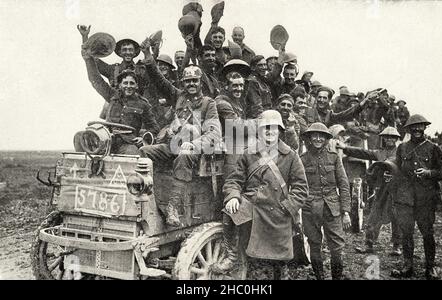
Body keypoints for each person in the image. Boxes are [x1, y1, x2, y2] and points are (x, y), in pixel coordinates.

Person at [214, 110, 309, 279]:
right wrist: (233, 196)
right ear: (259, 131)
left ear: (280, 131)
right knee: (229, 212)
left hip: (278, 209)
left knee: (279, 264)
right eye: (265, 128)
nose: (269, 132)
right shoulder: (249, 153)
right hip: (253, 205)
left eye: (273, 128)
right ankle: (232, 256)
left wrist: (287, 207)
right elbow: (234, 180)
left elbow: (301, 188)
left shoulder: (291, 156)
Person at [139, 40, 222, 227]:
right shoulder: (178, 96)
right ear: (183, 83)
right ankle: (145, 200)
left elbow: (214, 134)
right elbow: (159, 80)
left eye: (195, 80)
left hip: (194, 151)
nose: (191, 84)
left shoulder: (209, 104)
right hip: (173, 145)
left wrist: (194, 144)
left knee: (184, 156)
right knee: (144, 153)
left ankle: (173, 207)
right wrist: (147, 56)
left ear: (200, 82)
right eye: (187, 81)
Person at [391, 115, 442, 279]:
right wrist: (390, 175)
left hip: (426, 199)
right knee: (406, 233)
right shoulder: (402, 148)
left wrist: (429, 172)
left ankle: (430, 268)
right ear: (408, 129)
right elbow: (398, 169)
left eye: (420, 126)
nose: (417, 129)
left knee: (427, 233)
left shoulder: (433, 148)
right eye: (413, 127)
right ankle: (407, 266)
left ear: (424, 128)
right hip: (405, 199)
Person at [76, 45, 159, 155]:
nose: (128, 86)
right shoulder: (111, 95)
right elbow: (95, 79)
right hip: (106, 139)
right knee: (80, 138)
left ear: (136, 86)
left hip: (127, 143)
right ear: (120, 85)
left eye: (132, 83)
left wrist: (142, 138)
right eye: (125, 83)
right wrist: (88, 59)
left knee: (133, 155)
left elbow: (154, 128)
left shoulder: (143, 104)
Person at [336, 126, 402, 255]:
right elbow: (364, 153)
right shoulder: (380, 153)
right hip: (382, 187)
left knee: (396, 215)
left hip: (397, 187)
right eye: (387, 137)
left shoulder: (401, 152)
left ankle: (397, 246)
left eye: (392, 137)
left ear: (396, 139)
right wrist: (345, 148)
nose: (389, 140)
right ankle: (369, 244)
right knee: (374, 214)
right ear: (383, 139)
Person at [300, 122, 352, 280]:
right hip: (310, 207)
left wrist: (346, 212)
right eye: (313, 136)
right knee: (314, 244)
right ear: (308, 138)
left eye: (320, 136)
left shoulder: (334, 157)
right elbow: (298, 186)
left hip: (332, 207)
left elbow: (343, 185)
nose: (317, 139)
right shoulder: (301, 159)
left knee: (337, 247)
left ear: (325, 138)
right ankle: (319, 277)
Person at [302, 86, 369, 127]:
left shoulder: (330, 115)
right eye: (319, 97)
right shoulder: (307, 111)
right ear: (316, 98)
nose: (321, 100)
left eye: (324, 98)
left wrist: (362, 104)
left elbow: (345, 114)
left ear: (329, 100)